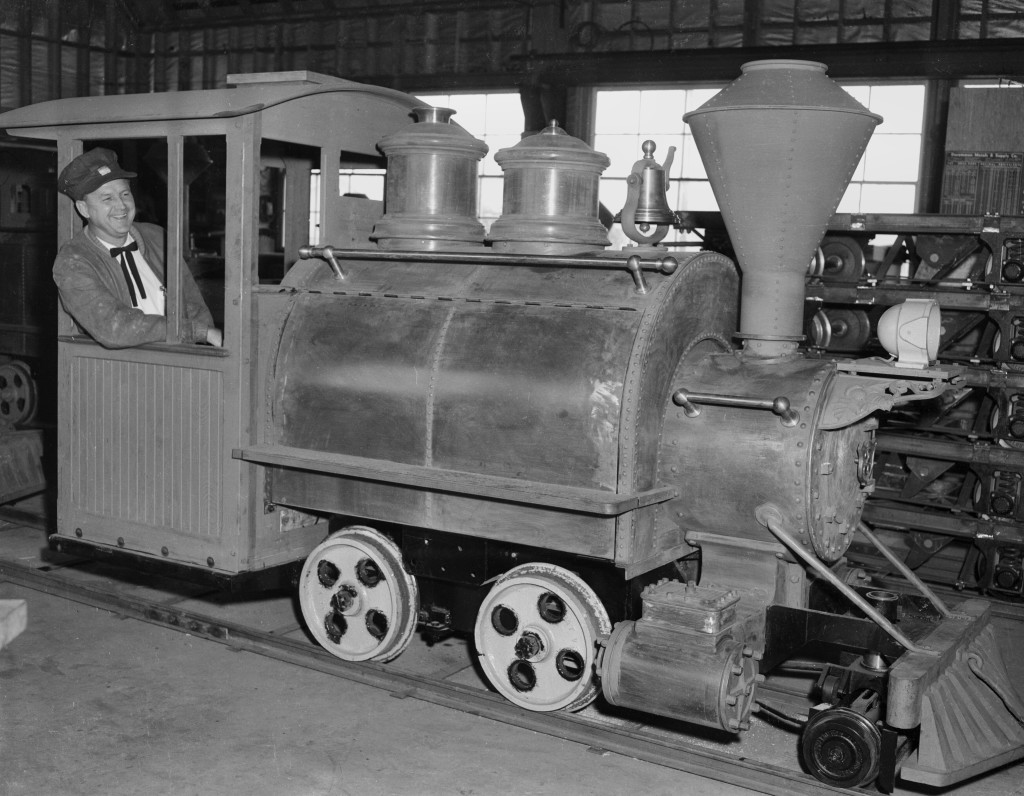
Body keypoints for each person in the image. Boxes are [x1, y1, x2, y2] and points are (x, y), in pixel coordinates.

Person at [53, 147, 222, 349]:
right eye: (107, 198)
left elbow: (193, 304)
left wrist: (207, 348)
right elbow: (114, 328)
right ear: (83, 208)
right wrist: (197, 332)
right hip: (126, 372)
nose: (121, 206)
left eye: (125, 193)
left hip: (180, 361)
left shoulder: (158, 237)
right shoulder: (73, 261)